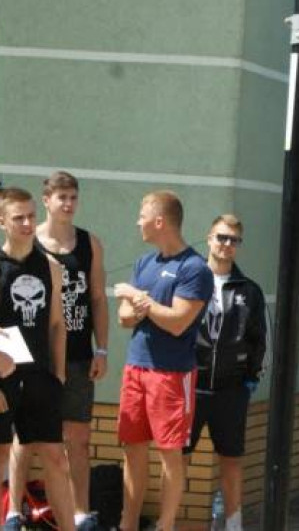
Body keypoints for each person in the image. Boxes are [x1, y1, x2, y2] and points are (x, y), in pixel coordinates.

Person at [9, 172, 108, 531]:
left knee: (77, 439)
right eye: (61, 196)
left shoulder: (89, 244)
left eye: (73, 197)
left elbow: (97, 298)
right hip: (31, 358)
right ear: (46, 199)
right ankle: (13, 510)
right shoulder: (27, 242)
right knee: (25, 438)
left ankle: (80, 513)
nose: (68, 203)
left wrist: (104, 350)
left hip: (79, 354)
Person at [114, 191, 213, 531]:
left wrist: (136, 297)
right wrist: (140, 305)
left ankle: (165, 525)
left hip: (171, 375)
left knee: (170, 453)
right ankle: (128, 523)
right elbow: (124, 318)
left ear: (159, 221)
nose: (137, 222)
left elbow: (177, 322)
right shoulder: (145, 263)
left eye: (142, 215)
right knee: (132, 448)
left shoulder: (195, 268)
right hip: (135, 367)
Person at [184, 215, 267, 531]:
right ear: (208, 238)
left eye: (234, 240)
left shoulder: (249, 290)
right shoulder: (190, 279)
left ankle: (233, 525)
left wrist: (250, 378)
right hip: (192, 384)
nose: (227, 245)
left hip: (231, 389)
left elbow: (259, 337)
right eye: (222, 237)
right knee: (178, 458)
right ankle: (167, 522)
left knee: (231, 461)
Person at [0, 188, 75, 531]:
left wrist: (58, 373)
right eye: (19, 217)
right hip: (2, 378)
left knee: (56, 459)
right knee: (3, 455)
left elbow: (58, 324)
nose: (28, 223)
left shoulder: (51, 267)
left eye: (31, 215)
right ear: (2, 221)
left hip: (40, 377)